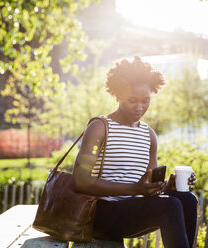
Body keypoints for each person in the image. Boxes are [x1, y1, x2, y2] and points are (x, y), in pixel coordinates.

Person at [73, 55, 197, 248]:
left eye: (145, 101)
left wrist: (166, 186)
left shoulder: (149, 135)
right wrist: (135, 189)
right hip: (101, 214)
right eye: (132, 100)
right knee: (170, 205)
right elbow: (80, 180)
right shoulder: (100, 127)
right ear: (118, 95)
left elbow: (148, 187)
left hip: (131, 212)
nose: (139, 107)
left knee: (187, 199)